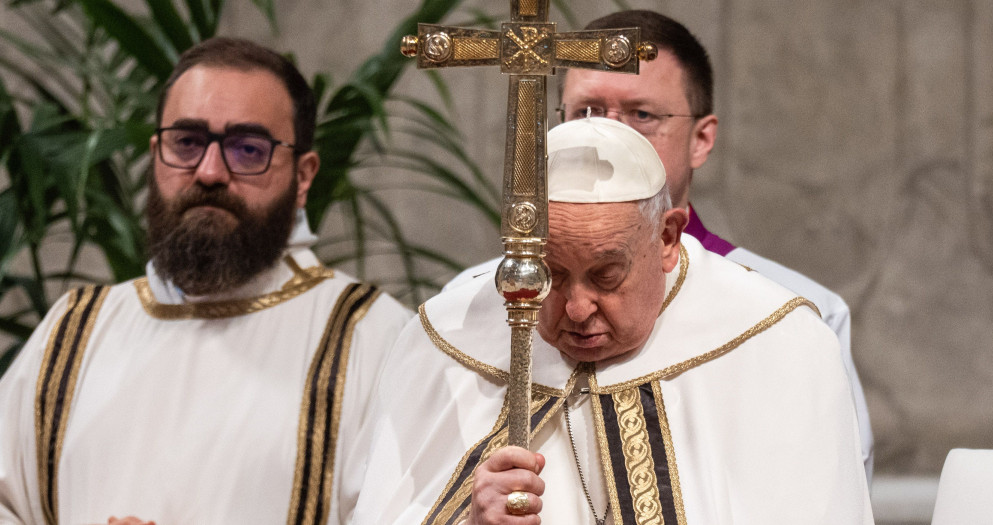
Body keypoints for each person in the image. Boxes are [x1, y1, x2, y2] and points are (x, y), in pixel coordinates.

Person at [0, 37, 409, 524]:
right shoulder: (74, 330)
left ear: (304, 175)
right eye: (186, 143)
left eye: (247, 149)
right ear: (155, 153)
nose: (209, 172)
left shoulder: (372, 339)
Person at [354, 117, 872, 524]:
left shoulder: (778, 346)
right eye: (551, 276)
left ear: (667, 238)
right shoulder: (444, 341)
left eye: (606, 275)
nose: (577, 309)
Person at [445, 9, 874, 481]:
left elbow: (823, 489)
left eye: (642, 115)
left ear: (701, 139)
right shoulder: (474, 306)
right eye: (586, 112)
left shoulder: (790, 315)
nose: (610, 133)